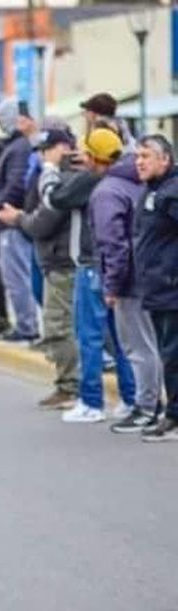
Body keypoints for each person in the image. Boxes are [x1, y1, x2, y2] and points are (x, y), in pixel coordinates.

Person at [48, 128, 137, 423]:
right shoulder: (129, 179)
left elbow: (58, 198)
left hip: (92, 264)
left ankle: (91, 402)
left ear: (95, 157)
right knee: (122, 339)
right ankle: (130, 397)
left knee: (89, 335)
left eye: (86, 152)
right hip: (118, 268)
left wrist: (56, 170)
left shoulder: (96, 182)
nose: (81, 156)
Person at [0, 128, 80, 410]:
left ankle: (70, 388)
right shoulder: (49, 175)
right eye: (42, 151)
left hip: (63, 260)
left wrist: (19, 218)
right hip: (54, 258)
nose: (44, 156)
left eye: (48, 149)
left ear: (64, 147)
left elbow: (45, 219)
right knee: (63, 325)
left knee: (60, 326)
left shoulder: (61, 179)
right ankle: (70, 385)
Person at [89, 133, 163, 433]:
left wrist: (112, 285)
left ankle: (147, 407)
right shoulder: (139, 183)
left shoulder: (107, 192)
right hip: (148, 274)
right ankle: (153, 404)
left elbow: (113, 244)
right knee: (152, 345)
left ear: (95, 157)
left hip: (130, 281)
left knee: (137, 346)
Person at [133, 135, 178, 441]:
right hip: (156, 287)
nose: (140, 161)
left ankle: (174, 417)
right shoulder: (152, 191)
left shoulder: (171, 193)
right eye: (138, 155)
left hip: (171, 287)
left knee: (174, 355)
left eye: (147, 155)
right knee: (168, 352)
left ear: (165, 160)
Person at [0, 99, 41, 342]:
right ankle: (26, 324)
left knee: (17, 277)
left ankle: (26, 326)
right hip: (10, 221)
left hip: (11, 222)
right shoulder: (16, 146)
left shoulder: (18, 148)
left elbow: (16, 185)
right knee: (18, 276)